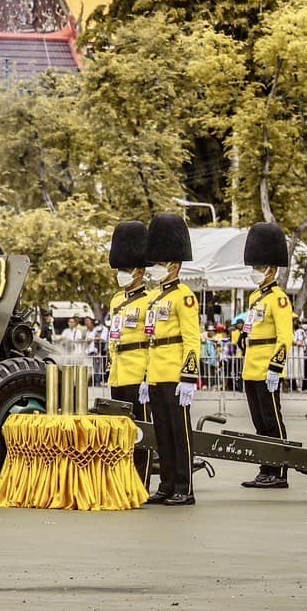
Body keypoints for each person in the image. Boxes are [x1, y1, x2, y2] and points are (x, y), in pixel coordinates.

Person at [143, 212, 201, 506]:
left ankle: (184, 486)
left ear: (174, 266)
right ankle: (166, 484)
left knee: (180, 434)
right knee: (162, 435)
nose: (154, 269)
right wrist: (145, 376)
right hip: (156, 372)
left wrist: (189, 376)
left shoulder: (184, 296)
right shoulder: (154, 297)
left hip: (176, 374)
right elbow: (151, 339)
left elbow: (192, 338)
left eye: (159, 264)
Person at [239, 222, 293, 489]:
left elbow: (285, 337)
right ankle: (265, 468)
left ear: (270, 269)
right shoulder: (255, 298)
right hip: (251, 366)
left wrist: (276, 367)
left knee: (273, 422)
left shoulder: (279, 299)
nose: (255, 272)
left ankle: (279, 471)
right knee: (260, 424)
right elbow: (251, 328)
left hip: (267, 368)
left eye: (258, 267)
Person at [104, 220, 153, 489]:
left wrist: (147, 373)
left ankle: (141, 481)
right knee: (120, 430)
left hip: (138, 370)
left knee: (141, 430)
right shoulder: (116, 301)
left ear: (140, 271)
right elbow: (114, 337)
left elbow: (151, 339)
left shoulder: (150, 301)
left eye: (126, 269)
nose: (121, 274)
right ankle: (122, 479)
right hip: (119, 371)